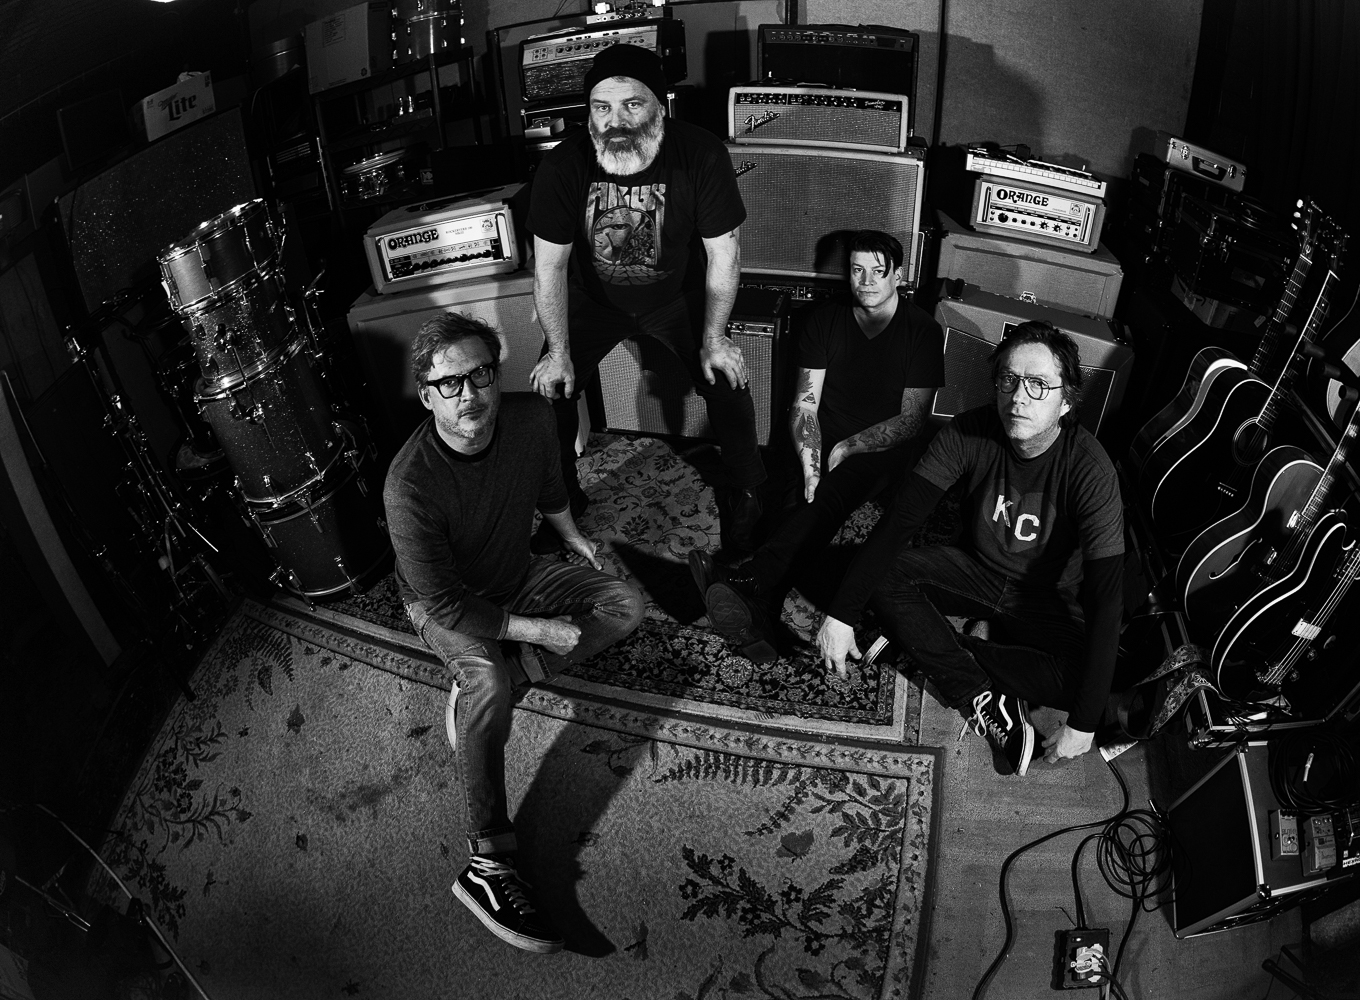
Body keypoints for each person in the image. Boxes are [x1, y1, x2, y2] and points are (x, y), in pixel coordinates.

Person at [383, 312, 645, 952]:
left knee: (625, 605)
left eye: (479, 375)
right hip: (444, 605)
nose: (468, 394)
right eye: (449, 384)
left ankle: (513, 671)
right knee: (484, 681)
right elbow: (447, 603)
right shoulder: (408, 486)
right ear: (427, 397)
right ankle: (487, 864)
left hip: (515, 569)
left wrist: (575, 539)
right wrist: (540, 630)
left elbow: (551, 491)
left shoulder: (529, 419)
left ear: (496, 376)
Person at [816, 321, 1124, 777]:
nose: (1018, 397)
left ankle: (921, 645)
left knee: (1089, 681)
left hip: (1044, 597)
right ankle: (980, 692)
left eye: (1039, 385)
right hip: (974, 570)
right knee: (872, 572)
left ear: (1066, 402)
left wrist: (1084, 723)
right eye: (1009, 380)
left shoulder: (1090, 469)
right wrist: (842, 616)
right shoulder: (968, 431)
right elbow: (899, 523)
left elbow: (1107, 599)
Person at [526, 42, 765, 553]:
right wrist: (558, 351)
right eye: (602, 107)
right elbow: (549, 267)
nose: (616, 122)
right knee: (552, 391)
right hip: (592, 300)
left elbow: (724, 254)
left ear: (660, 105)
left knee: (727, 378)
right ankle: (562, 500)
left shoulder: (700, 153)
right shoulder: (563, 165)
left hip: (676, 295)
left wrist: (715, 338)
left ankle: (747, 494)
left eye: (632, 104)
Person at [687, 230, 944, 662]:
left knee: (827, 494)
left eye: (878, 272)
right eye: (857, 270)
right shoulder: (824, 320)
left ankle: (749, 581)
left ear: (898, 276)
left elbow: (911, 421)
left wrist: (849, 448)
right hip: (822, 434)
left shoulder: (923, 331)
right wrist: (811, 465)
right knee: (799, 501)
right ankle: (762, 612)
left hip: (881, 446)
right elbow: (805, 405)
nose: (866, 281)